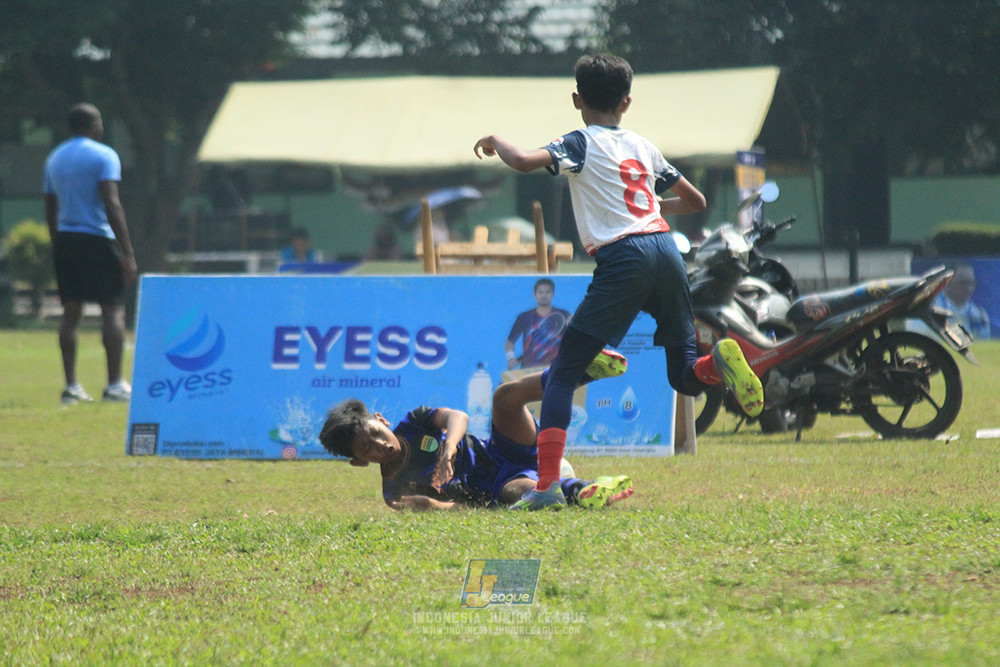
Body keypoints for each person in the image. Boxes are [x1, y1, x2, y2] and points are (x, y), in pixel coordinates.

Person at [473, 53, 763, 510]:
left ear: (577, 100)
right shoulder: (643, 146)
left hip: (624, 257)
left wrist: (497, 140)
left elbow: (525, 161)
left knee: (563, 373)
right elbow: (695, 201)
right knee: (685, 374)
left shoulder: (579, 142)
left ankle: (547, 487)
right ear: (626, 102)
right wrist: (653, 205)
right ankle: (718, 361)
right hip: (666, 251)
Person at [318, 350, 634, 511]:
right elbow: (466, 510)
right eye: (367, 449)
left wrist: (449, 450)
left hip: (502, 449)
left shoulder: (413, 422)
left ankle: (576, 372)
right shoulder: (395, 492)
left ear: (381, 420)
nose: (380, 445)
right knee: (521, 493)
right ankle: (586, 491)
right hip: (498, 485)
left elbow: (458, 416)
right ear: (359, 461)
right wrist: (436, 507)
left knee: (504, 397)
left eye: (376, 433)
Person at [44, 103, 136, 405]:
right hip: (97, 238)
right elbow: (111, 202)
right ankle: (114, 385)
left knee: (71, 313)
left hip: (66, 239)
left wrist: (57, 243)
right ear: (94, 124)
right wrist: (127, 251)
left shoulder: (55, 158)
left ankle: (71, 387)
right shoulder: (104, 155)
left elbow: (50, 205)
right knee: (112, 310)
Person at [505, 278, 572, 370]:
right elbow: (510, 343)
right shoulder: (524, 317)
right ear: (535, 295)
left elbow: (573, 340)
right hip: (528, 369)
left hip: (555, 369)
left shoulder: (564, 315)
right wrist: (510, 358)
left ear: (553, 294)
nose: (544, 295)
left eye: (547, 292)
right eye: (540, 292)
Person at [937, 264, 991, 339]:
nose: (969, 288)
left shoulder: (979, 315)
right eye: (963, 283)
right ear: (947, 283)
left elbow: (984, 342)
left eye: (971, 283)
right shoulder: (932, 309)